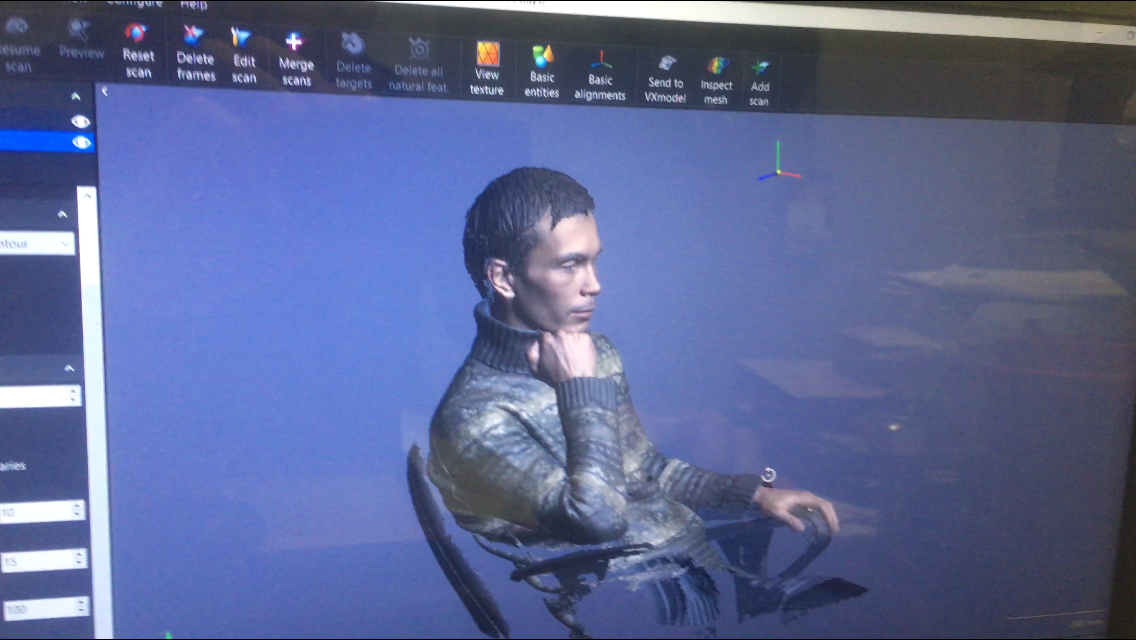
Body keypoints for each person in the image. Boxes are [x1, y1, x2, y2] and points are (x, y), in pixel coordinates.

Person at [427, 167, 839, 552]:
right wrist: (578, 389)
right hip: (615, 591)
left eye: (593, 261)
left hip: (684, 562)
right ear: (502, 278)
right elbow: (599, 521)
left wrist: (753, 496)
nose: (594, 285)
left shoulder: (597, 353)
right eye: (569, 265)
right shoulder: (472, 418)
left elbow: (645, 472)